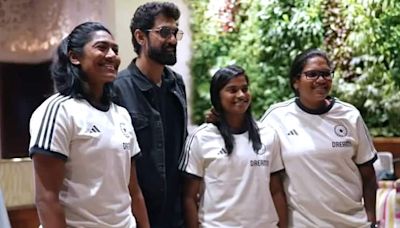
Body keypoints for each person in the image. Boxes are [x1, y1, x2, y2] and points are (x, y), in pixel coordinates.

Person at [29, 22, 149, 228]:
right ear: (74, 57)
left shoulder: (121, 114)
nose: (112, 55)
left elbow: (133, 190)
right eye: (102, 47)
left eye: (115, 50)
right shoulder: (59, 110)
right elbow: (47, 198)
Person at [260, 48, 378, 227]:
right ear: (296, 82)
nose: (321, 80)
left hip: (353, 223)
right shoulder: (276, 117)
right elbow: (247, 146)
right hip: (303, 223)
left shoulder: (349, 115)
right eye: (312, 74)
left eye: (326, 74)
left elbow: (368, 175)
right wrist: (219, 122)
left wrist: (371, 220)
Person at [179, 65, 288, 228]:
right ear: (217, 96)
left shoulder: (268, 135)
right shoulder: (201, 138)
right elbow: (188, 196)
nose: (241, 95)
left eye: (245, 89)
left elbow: (276, 191)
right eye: (232, 90)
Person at [112, 2, 187, 228]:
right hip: (137, 214)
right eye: (164, 32)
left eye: (175, 32)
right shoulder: (118, 89)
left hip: (176, 212)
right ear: (140, 37)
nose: (173, 40)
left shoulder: (176, 84)